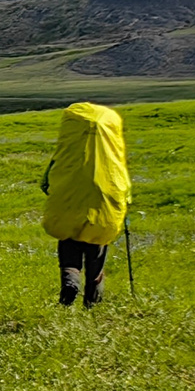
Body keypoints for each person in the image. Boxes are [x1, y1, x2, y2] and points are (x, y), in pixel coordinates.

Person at [41, 101, 129, 307]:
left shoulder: (65, 154)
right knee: (96, 250)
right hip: (101, 210)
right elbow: (123, 187)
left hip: (69, 207)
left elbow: (45, 183)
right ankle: (93, 302)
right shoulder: (113, 159)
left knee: (68, 244)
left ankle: (70, 281)